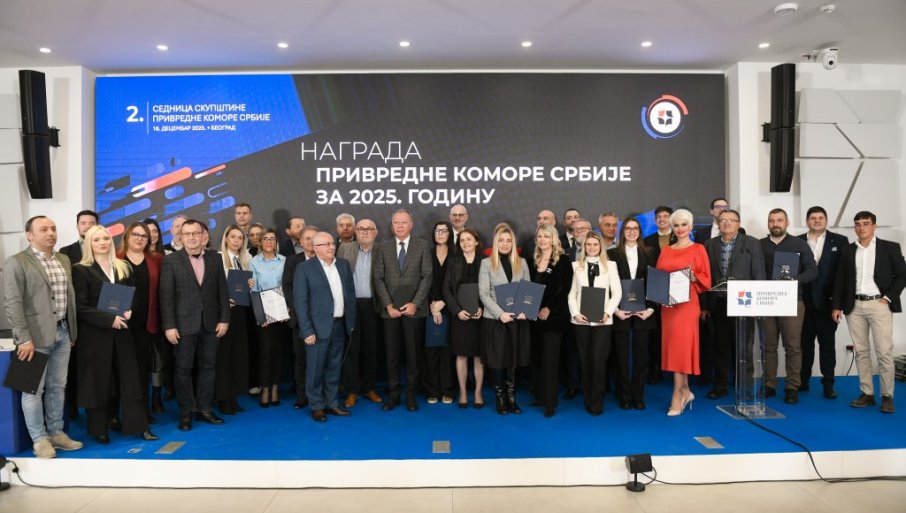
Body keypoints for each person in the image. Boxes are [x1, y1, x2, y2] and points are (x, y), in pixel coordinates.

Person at [3, 215, 83, 458]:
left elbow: (69, 298)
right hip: (33, 339)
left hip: (63, 333)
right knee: (32, 390)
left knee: (58, 387)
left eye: (53, 228)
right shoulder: (16, 262)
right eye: (44, 229)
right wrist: (23, 338)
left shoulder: (63, 259)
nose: (50, 233)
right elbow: (12, 303)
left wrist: (71, 330)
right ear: (30, 235)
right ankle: (39, 440)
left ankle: (56, 433)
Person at [72, 225, 157, 444]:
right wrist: (109, 319)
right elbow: (80, 307)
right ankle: (99, 429)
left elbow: (134, 296)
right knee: (99, 381)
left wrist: (130, 310)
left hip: (122, 332)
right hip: (95, 336)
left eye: (106, 239)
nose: (102, 243)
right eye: (97, 239)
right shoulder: (81, 270)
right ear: (89, 244)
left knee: (131, 379)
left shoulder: (122, 266)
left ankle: (140, 426)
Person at [159, 219, 230, 431]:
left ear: (203, 236)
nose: (191, 237)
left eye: (195, 233)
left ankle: (205, 409)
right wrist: (169, 326)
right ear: (181, 237)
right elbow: (166, 297)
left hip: (211, 324)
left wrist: (224, 319)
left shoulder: (215, 258)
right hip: (182, 326)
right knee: (183, 369)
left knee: (209, 367)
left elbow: (222, 291)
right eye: (187, 233)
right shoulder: (171, 261)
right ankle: (186, 412)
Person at [832, 211, 906, 414]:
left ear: (874, 226)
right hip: (854, 306)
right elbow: (840, 280)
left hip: (879, 304)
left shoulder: (890, 248)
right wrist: (836, 306)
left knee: (884, 352)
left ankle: (887, 396)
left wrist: (888, 297)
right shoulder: (848, 250)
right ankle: (867, 393)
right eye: (857, 224)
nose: (861, 227)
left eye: (865, 223)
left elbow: (902, 274)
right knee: (861, 352)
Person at [700, 209, 765, 399]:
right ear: (718, 223)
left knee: (744, 347)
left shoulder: (752, 243)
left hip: (744, 302)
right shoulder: (709, 244)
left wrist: (757, 304)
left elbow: (759, 273)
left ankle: (745, 387)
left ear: (738, 224)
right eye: (723, 220)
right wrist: (705, 306)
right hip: (719, 303)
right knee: (720, 347)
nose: (727, 223)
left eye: (731, 220)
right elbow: (705, 277)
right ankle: (720, 386)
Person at [372, 209, 433, 412]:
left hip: (414, 311)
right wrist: (388, 305)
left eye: (403, 222)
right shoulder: (383, 247)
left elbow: (427, 277)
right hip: (390, 312)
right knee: (392, 356)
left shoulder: (422, 246)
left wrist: (415, 303)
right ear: (392, 226)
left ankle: (411, 395)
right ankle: (394, 395)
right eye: (396, 223)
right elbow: (378, 278)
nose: (399, 226)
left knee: (413, 356)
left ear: (411, 225)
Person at [293, 232, 357, 422]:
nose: (331, 246)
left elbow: (350, 295)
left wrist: (350, 323)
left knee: (334, 368)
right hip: (316, 329)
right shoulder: (304, 268)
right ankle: (317, 406)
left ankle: (332, 403)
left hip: (340, 325)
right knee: (315, 369)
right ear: (316, 248)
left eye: (332, 243)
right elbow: (300, 302)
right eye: (326, 244)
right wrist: (307, 330)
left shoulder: (343, 265)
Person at [759, 208, 818, 404]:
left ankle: (792, 386)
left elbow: (812, 270)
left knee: (792, 346)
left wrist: (794, 281)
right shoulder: (759, 245)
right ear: (768, 223)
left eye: (779, 220)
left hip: (792, 300)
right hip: (766, 300)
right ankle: (769, 384)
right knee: (768, 346)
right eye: (772, 220)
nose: (775, 224)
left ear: (787, 223)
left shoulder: (799, 244)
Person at [657, 208, 711, 416]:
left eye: (684, 224)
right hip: (669, 307)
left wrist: (693, 276)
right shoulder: (666, 250)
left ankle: (678, 393)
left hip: (688, 306)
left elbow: (706, 280)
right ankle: (685, 390)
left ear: (691, 226)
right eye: (676, 225)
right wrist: (663, 297)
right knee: (674, 348)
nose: (680, 228)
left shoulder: (698, 249)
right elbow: (659, 279)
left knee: (682, 347)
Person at [479, 225, 531, 415]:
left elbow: (527, 290)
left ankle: (511, 398)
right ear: (495, 242)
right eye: (501, 240)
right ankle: (500, 398)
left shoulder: (522, 262)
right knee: (497, 360)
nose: (505, 244)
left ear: (513, 243)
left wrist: (525, 309)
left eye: (509, 240)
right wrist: (500, 314)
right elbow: (484, 294)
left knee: (512, 360)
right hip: (496, 320)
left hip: (517, 320)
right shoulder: (486, 263)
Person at [567, 233, 621, 415]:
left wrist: (607, 312)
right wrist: (575, 313)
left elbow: (617, 292)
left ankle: (597, 402)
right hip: (580, 321)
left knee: (598, 361)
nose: (591, 247)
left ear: (600, 247)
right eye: (588, 244)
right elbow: (572, 294)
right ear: (584, 247)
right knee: (584, 360)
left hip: (602, 322)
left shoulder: (610, 266)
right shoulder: (576, 266)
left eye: (595, 244)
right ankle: (588, 399)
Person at [798, 206, 848, 399]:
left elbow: (843, 275)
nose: (817, 220)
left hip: (828, 305)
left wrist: (838, 305)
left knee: (827, 347)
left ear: (826, 220)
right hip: (803, 303)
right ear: (807, 221)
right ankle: (803, 381)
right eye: (813, 218)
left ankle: (828, 384)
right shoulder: (797, 241)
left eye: (820, 217)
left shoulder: (840, 241)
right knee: (804, 346)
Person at [117, 222, 163, 424]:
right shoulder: (116, 257)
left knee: (142, 370)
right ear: (127, 236)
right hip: (120, 324)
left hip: (146, 323)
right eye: (135, 234)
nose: (139, 238)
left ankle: (142, 412)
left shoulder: (156, 259)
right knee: (122, 371)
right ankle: (120, 415)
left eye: (143, 236)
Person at [609, 217, 657, 410]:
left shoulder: (650, 253)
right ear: (622, 232)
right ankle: (624, 395)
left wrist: (651, 309)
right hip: (620, 311)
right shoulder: (611, 254)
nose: (631, 231)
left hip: (644, 311)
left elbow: (655, 281)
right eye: (627, 228)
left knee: (641, 357)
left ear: (639, 232)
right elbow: (608, 284)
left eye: (635, 228)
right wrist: (615, 310)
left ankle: (638, 395)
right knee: (621, 356)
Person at [337, 218, 383, 408]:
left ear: (375, 232)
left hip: (373, 306)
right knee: (352, 349)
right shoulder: (344, 249)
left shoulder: (382, 250)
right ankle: (352, 390)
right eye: (361, 228)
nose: (365, 231)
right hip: (351, 306)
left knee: (371, 349)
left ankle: (369, 388)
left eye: (369, 228)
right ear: (355, 231)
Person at [529, 223, 574, 417]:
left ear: (553, 239)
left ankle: (550, 403)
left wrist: (549, 308)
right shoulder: (533, 259)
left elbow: (565, 289)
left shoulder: (563, 260)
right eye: (539, 236)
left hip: (553, 319)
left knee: (550, 361)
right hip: (533, 318)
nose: (542, 240)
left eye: (546, 236)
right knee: (537, 358)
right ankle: (539, 396)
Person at [59, 209, 98, 419]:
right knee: (72, 364)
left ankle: (97, 409)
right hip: (74, 316)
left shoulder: (106, 248)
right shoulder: (65, 252)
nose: (88, 226)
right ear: (77, 226)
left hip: (100, 317)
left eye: (92, 222)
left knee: (96, 364)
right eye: (84, 223)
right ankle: (72, 406)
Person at [442, 228, 485, 409]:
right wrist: (456, 310)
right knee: (461, 355)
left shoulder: (485, 261)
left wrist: (482, 308)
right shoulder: (453, 262)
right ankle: (462, 392)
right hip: (459, 316)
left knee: (478, 356)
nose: (465, 243)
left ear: (476, 241)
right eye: (462, 240)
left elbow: (490, 288)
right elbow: (446, 289)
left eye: (469, 239)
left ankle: (478, 392)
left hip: (480, 316)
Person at [248, 228, 290, 407]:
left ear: (276, 241)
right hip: (264, 316)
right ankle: (265, 388)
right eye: (265, 238)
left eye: (272, 238)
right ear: (260, 242)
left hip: (283, 314)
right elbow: (254, 291)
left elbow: (288, 286)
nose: (269, 241)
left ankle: (275, 388)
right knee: (266, 352)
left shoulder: (284, 261)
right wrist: (260, 316)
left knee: (279, 352)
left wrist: (288, 309)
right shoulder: (254, 262)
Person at [215, 225, 252, 414]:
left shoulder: (245, 259)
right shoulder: (218, 258)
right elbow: (212, 286)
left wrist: (250, 285)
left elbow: (244, 288)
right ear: (226, 238)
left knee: (236, 355)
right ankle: (222, 398)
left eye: (240, 238)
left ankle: (232, 396)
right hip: (224, 312)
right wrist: (222, 301)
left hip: (240, 312)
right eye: (233, 237)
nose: (237, 241)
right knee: (223, 357)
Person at [423, 221, 455, 404]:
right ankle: (432, 390)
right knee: (431, 350)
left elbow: (457, 282)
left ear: (450, 234)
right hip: (429, 307)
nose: (440, 233)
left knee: (447, 350)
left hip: (450, 307)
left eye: (444, 231)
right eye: (437, 230)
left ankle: (447, 390)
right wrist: (433, 305)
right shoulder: (426, 253)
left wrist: (444, 303)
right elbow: (422, 280)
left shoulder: (457, 254)